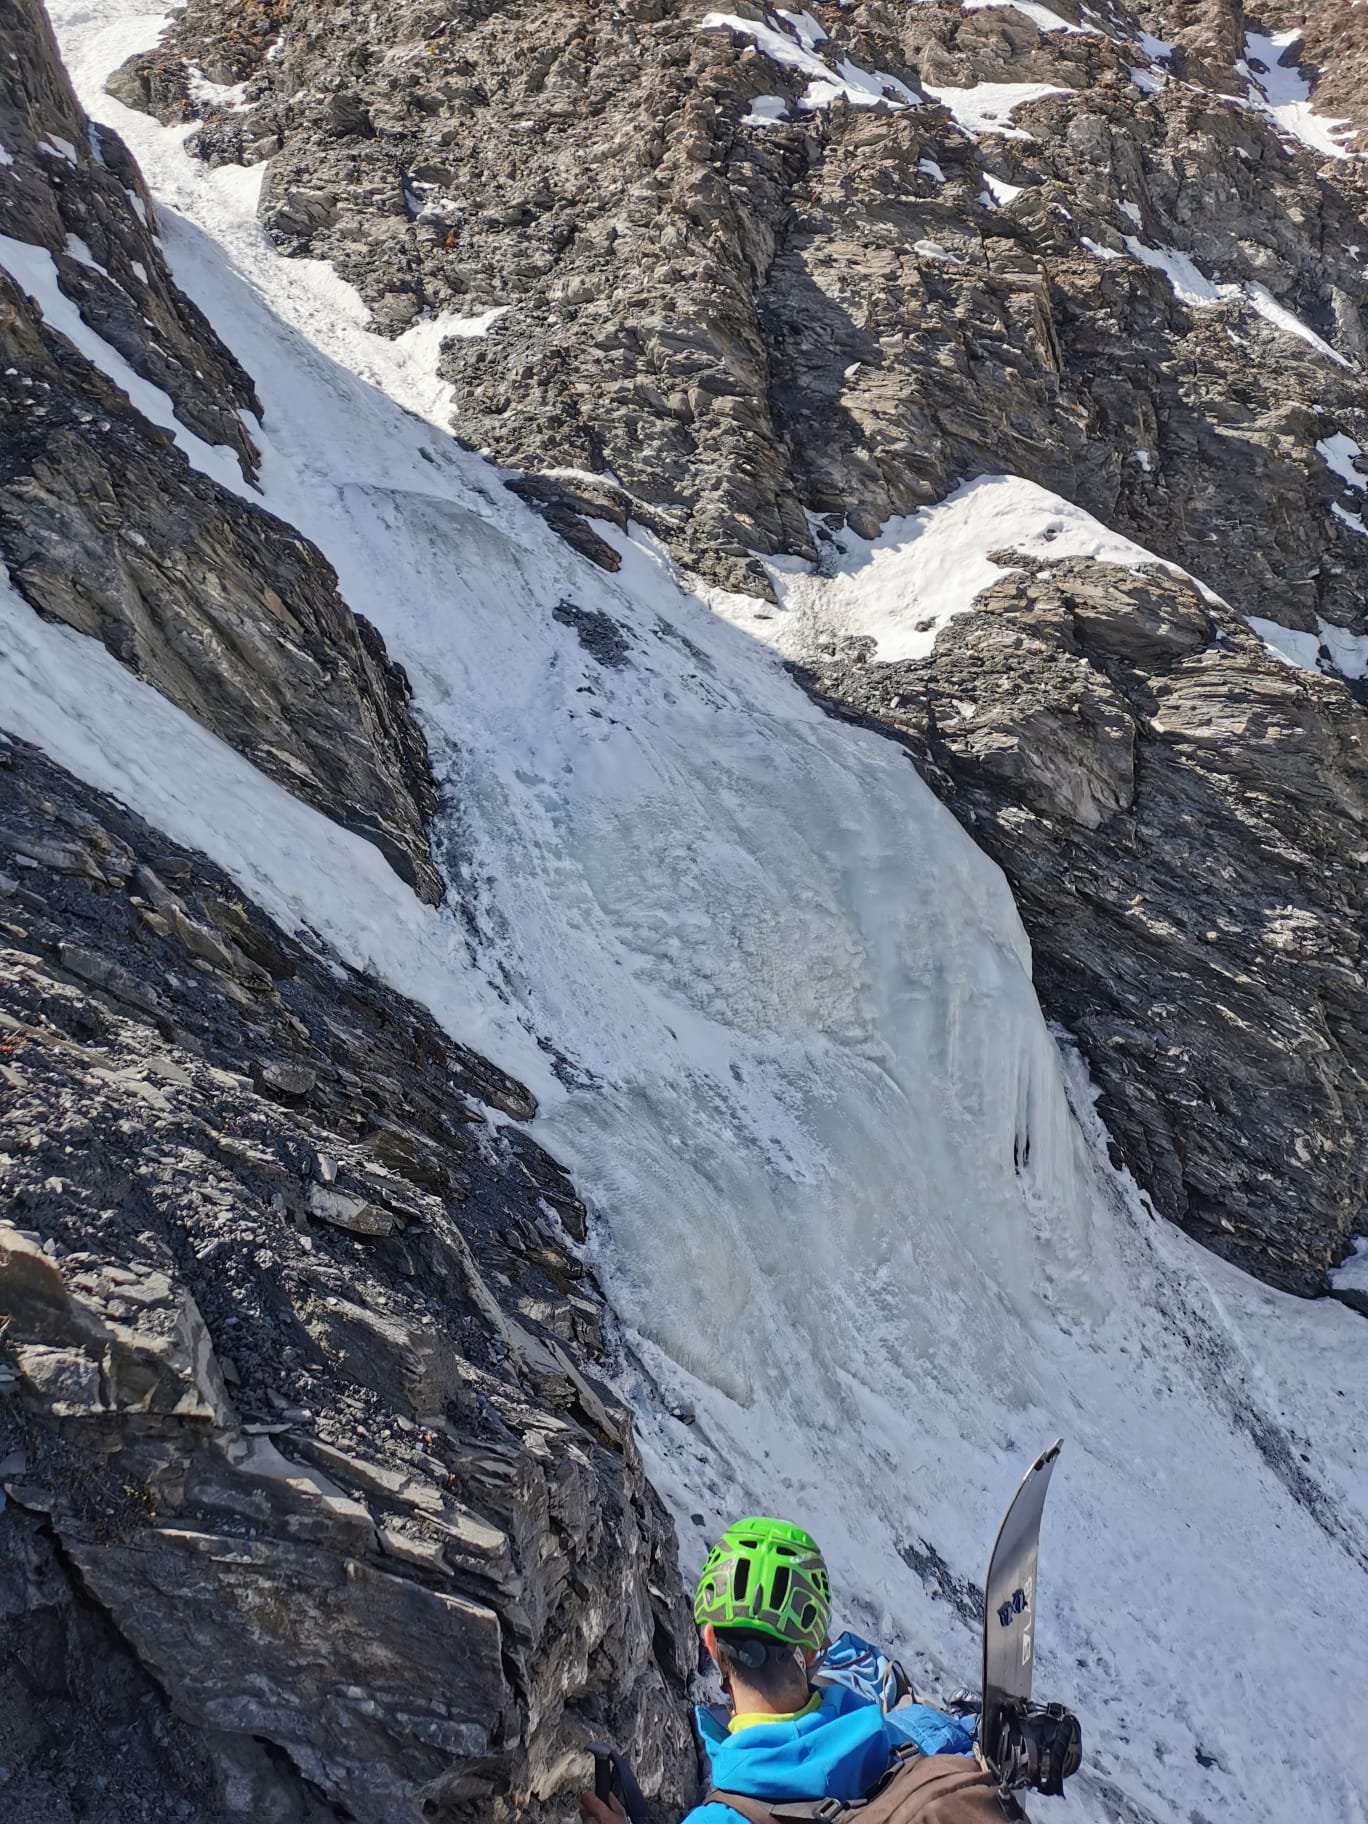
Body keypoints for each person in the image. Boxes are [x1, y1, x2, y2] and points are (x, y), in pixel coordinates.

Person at [580, 1516, 983, 1824]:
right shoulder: (904, 1736)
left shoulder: (722, 1816)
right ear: (812, 1652)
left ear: (708, 1640)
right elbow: (964, 1733)